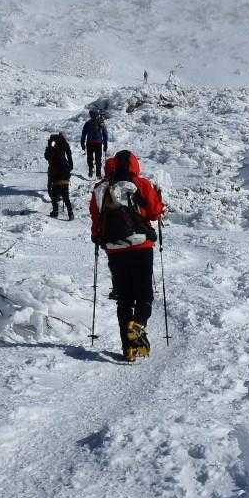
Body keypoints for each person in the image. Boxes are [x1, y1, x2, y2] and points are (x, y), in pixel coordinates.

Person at [89, 149, 164, 362]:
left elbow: (96, 218)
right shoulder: (141, 184)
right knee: (144, 294)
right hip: (141, 246)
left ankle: (128, 349)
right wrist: (158, 199)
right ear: (133, 165)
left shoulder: (100, 189)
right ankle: (138, 324)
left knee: (124, 299)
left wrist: (98, 238)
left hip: (115, 249)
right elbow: (155, 213)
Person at [44, 133, 75, 219]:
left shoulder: (52, 144)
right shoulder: (63, 143)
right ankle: (70, 213)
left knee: (53, 192)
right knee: (65, 193)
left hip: (55, 171)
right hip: (65, 169)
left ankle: (55, 211)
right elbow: (69, 154)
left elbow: (47, 156)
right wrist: (70, 166)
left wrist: (50, 148)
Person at [80, 110, 110, 178]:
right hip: (98, 143)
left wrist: (82, 143)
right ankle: (98, 174)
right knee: (98, 159)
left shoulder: (88, 123)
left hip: (89, 143)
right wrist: (105, 144)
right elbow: (105, 134)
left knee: (90, 158)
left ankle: (91, 170)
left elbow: (83, 134)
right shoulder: (101, 123)